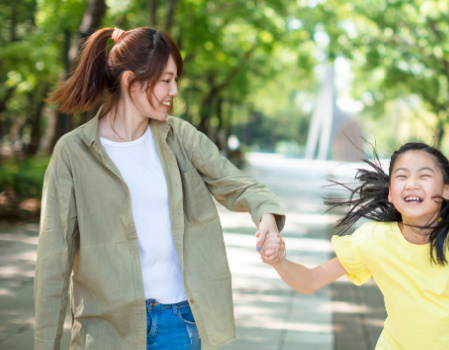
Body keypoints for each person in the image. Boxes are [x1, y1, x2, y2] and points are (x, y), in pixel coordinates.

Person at [35, 27, 285, 349]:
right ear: (130, 82)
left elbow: (237, 184)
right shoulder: (73, 152)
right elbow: (53, 262)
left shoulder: (179, 137)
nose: (175, 90)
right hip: (106, 331)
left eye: (175, 79)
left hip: (179, 326)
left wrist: (266, 216)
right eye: (166, 80)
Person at [258, 142, 449, 349]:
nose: (412, 183)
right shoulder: (372, 239)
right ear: (391, 194)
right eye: (402, 176)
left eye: (425, 176)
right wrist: (278, 261)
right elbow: (311, 280)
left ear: (448, 191)